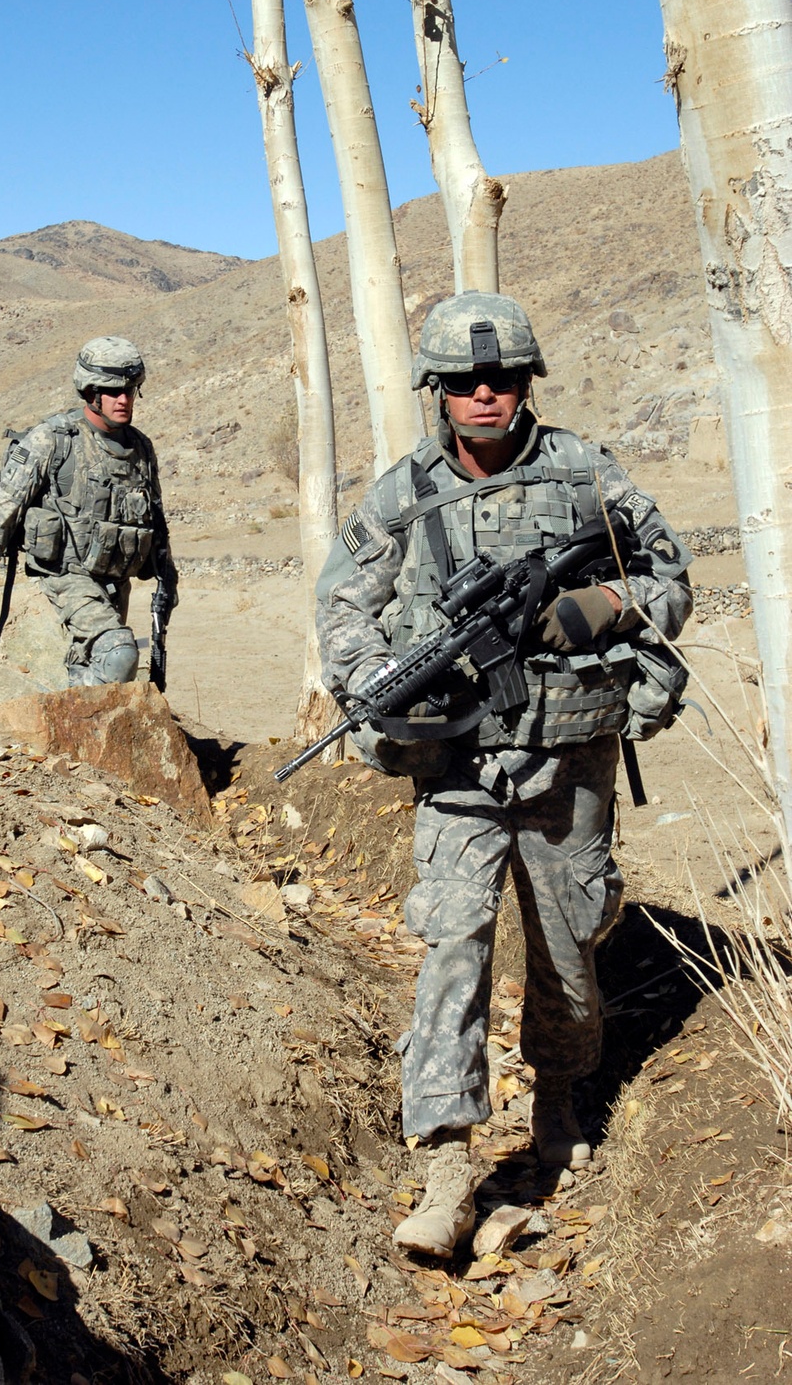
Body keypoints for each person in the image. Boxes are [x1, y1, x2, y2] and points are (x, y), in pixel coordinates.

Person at [315, 292, 692, 1259]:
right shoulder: (401, 493)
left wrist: (598, 607)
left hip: (570, 763)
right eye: (463, 382)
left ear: (526, 383)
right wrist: (383, 683)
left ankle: (560, 1117)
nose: (485, 394)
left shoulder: (587, 474)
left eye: (504, 378)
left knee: (567, 951)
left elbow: (671, 577)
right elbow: (342, 608)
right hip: (456, 769)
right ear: (436, 391)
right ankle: (446, 1169)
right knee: (453, 949)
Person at [0, 335, 176, 686]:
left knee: (96, 661)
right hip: (65, 579)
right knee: (120, 656)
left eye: (130, 390)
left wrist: (169, 580)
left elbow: (157, 521)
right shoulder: (54, 439)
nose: (124, 399)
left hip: (114, 584)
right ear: (91, 392)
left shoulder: (140, 448)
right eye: (113, 390)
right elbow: (4, 511)